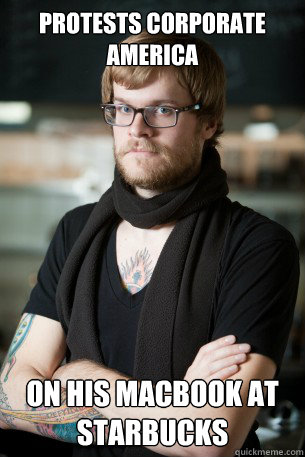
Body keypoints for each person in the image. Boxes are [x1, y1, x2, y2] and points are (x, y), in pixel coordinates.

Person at [0, 30, 300, 457]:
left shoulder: (258, 247)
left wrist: (88, 380)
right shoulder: (75, 231)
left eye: (162, 110)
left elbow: (212, 437)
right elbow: (9, 399)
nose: (137, 129)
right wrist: (178, 405)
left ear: (209, 122)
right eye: (123, 108)